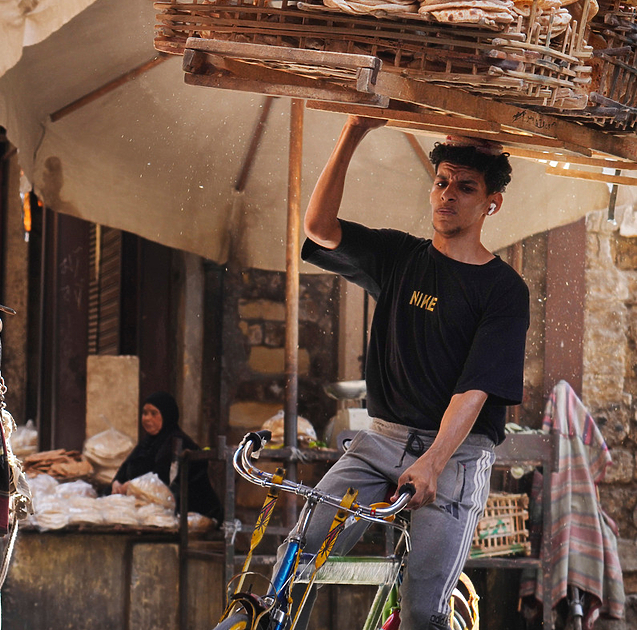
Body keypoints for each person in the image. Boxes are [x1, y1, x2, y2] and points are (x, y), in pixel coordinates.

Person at [224, 117, 528, 630]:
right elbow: (319, 227)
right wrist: (353, 130)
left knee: (422, 612)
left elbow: (474, 389)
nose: (447, 195)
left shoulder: (504, 290)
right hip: (381, 440)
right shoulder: (399, 256)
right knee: (292, 566)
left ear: (491, 203)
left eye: (465, 187)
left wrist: (432, 463)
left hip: (455, 454)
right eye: (441, 182)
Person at [112, 391, 223, 521]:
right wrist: (117, 482)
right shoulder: (146, 444)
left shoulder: (177, 442)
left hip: (190, 515)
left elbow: (162, 479)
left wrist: (131, 486)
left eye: (154, 413)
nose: (147, 418)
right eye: (145, 413)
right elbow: (126, 468)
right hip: (153, 511)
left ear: (167, 415)